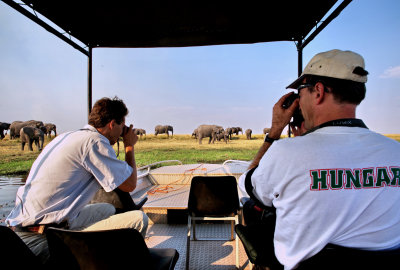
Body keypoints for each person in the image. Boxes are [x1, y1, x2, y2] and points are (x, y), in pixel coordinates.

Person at [238, 49, 400, 269]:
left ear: (318, 91)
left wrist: (274, 133)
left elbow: (251, 188)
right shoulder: (395, 151)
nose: (299, 102)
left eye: (299, 93)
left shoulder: (287, 152)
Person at [6, 96, 148, 264]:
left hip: (22, 228)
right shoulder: (95, 142)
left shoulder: (68, 136)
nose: (122, 132)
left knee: (107, 209)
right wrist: (129, 147)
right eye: (122, 126)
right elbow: (130, 185)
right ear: (112, 124)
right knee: (139, 220)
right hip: (40, 239)